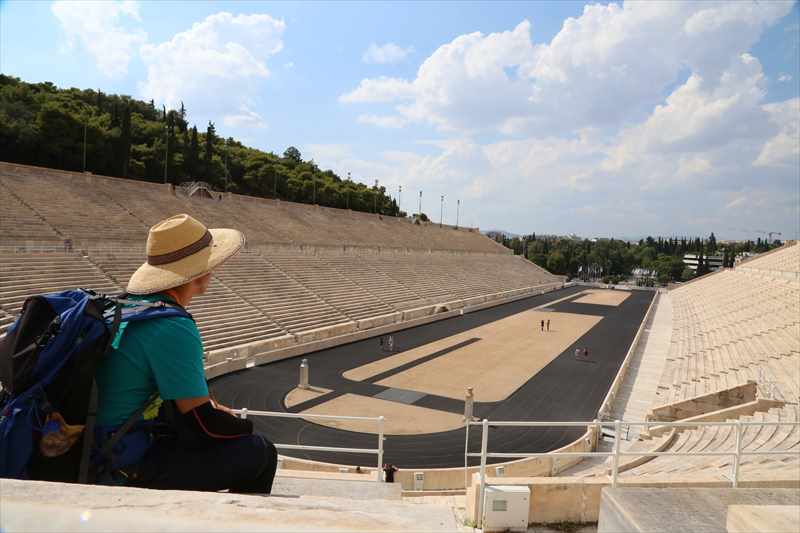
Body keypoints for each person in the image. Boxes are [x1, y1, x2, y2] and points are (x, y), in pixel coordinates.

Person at [94, 213, 277, 493]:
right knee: (260, 451)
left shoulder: (126, 307)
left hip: (95, 446)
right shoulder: (171, 325)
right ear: (200, 272)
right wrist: (244, 426)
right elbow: (203, 423)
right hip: (124, 463)